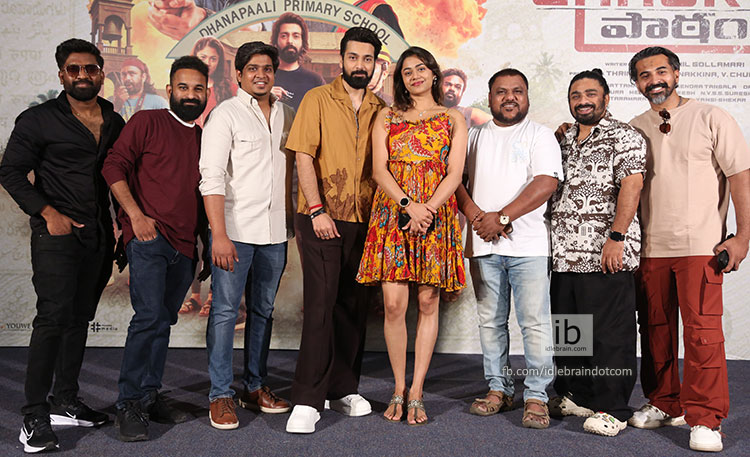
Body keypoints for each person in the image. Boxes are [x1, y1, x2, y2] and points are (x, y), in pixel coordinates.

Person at [0, 38, 125, 454]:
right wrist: (47, 213)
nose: (82, 75)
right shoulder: (38, 119)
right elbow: (11, 172)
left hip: (98, 235)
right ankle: (34, 415)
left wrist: (120, 228)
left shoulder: (114, 119)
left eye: (90, 68)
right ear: (61, 75)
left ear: (101, 73)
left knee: (78, 319)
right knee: (52, 320)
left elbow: (118, 176)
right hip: (56, 236)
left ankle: (65, 401)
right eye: (74, 69)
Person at [628, 46, 750, 452]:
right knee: (655, 332)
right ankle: (665, 403)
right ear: (637, 83)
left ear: (676, 74)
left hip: (701, 246)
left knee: (703, 336)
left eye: (661, 72)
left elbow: (740, 177)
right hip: (650, 249)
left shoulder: (711, 117)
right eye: (644, 75)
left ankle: (706, 419)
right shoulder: (635, 127)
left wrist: (743, 237)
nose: (654, 80)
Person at [356, 46, 467, 426]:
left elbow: (455, 173)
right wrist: (408, 205)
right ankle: (398, 387)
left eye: (421, 68)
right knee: (393, 305)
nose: (415, 75)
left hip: (435, 214)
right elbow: (379, 170)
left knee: (428, 301)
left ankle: (417, 390)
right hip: (393, 212)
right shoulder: (387, 116)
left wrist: (427, 209)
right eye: (407, 71)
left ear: (434, 73)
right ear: (400, 80)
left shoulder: (453, 117)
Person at [102, 56, 209, 441]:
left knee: (163, 320)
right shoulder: (147, 122)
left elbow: (203, 194)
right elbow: (113, 166)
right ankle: (128, 403)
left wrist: (204, 244)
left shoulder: (202, 138)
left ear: (207, 93)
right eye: (183, 87)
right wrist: (136, 217)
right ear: (169, 90)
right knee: (148, 318)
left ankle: (149, 394)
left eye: (197, 88)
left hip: (184, 245)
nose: (190, 95)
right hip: (149, 239)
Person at [283, 27, 385, 434]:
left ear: (375, 64)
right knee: (320, 307)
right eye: (353, 57)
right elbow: (303, 156)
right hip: (321, 217)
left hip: (366, 220)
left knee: (352, 307)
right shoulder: (317, 99)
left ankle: (343, 389)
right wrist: (316, 209)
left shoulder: (381, 109)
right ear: (341, 59)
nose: (360, 65)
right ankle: (307, 399)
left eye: (367, 59)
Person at [454, 68, 561, 429]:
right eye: (501, 91)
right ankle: (499, 388)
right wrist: (476, 217)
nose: (510, 97)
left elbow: (546, 182)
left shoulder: (540, 135)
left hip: (529, 246)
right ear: (490, 97)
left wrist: (501, 218)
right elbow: (456, 180)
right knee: (490, 322)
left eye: (517, 91)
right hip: (482, 246)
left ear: (527, 97)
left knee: (535, 324)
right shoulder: (473, 136)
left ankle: (537, 395)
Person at [201, 41, 296, 430]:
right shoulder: (225, 114)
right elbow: (211, 177)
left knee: (263, 311)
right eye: (253, 69)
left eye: (267, 69)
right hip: (235, 232)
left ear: (275, 73)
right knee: (225, 312)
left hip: (275, 233)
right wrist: (219, 235)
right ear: (238, 74)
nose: (261, 75)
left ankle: (255, 387)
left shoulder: (287, 114)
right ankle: (220, 395)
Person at [549, 68, 645, 437]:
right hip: (565, 254)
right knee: (571, 332)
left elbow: (632, 184)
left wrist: (616, 236)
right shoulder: (563, 139)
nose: (583, 101)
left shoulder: (624, 135)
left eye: (591, 94)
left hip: (605, 253)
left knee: (610, 335)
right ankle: (579, 395)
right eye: (576, 95)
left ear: (606, 98)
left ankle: (614, 408)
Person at [270, 12, 326, 111]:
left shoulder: (315, 81)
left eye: (296, 36)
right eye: (284, 36)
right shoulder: (264, 78)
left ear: (302, 42)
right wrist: (263, 97)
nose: (290, 41)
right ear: (276, 41)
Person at [191, 37, 238, 128]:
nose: (207, 63)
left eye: (213, 59)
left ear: (219, 62)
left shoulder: (230, 89)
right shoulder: (184, 88)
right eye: (203, 57)